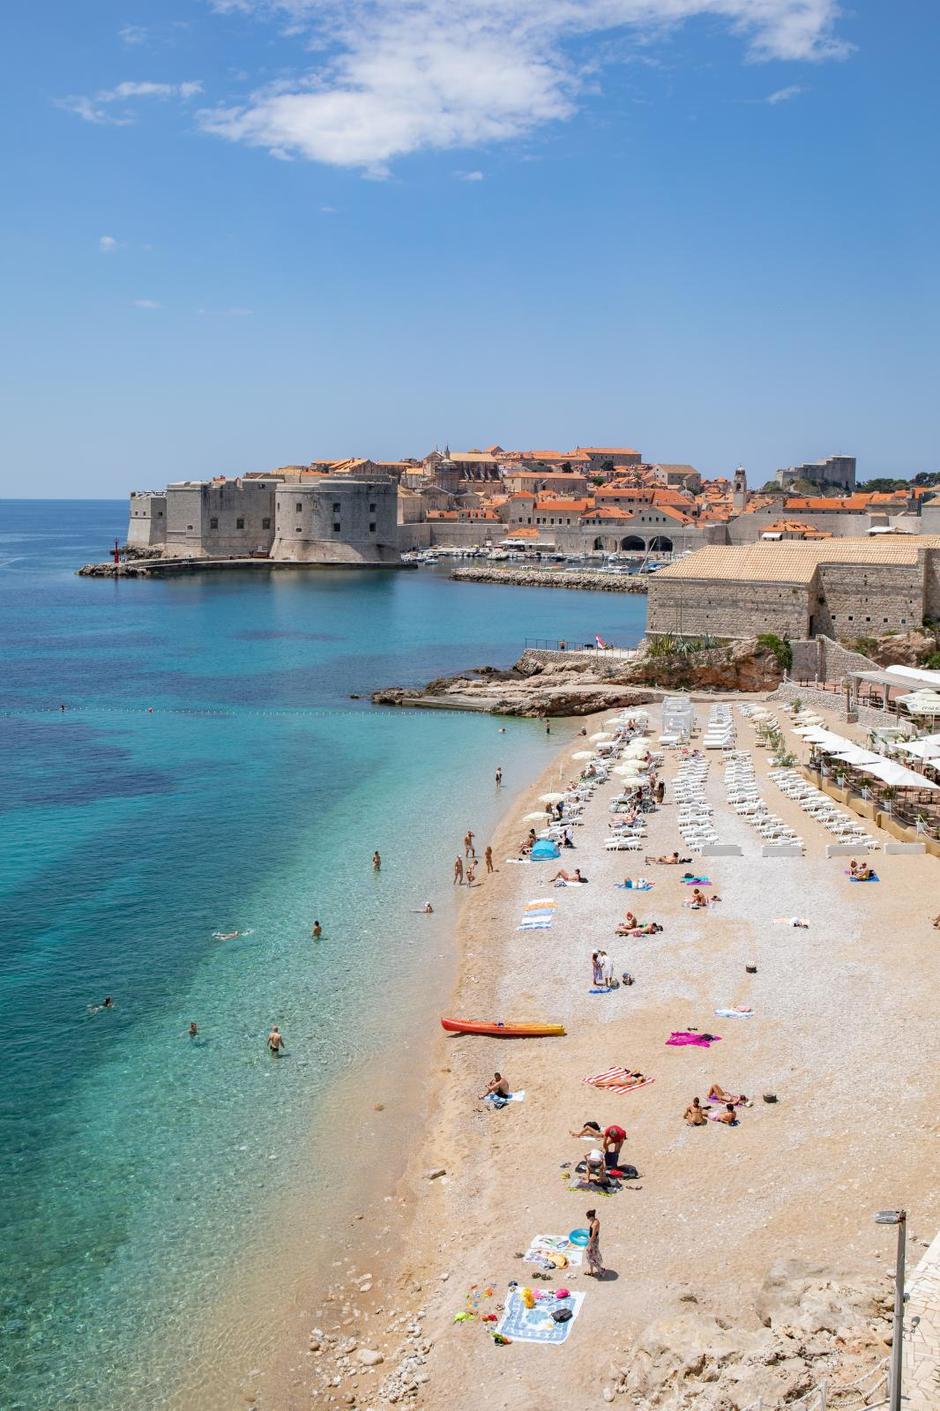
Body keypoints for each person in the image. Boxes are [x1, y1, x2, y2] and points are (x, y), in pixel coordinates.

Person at [585, 1209, 605, 1277]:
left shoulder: (594, 1224)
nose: (588, 1219)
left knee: (591, 1257)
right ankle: (591, 1271)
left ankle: (601, 1271)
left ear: (591, 1217)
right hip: (594, 1240)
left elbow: (593, 1236)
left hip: (593, 1242)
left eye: (588, 1217)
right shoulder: (596, 1220)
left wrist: (589, 1245)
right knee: (592, 1256)